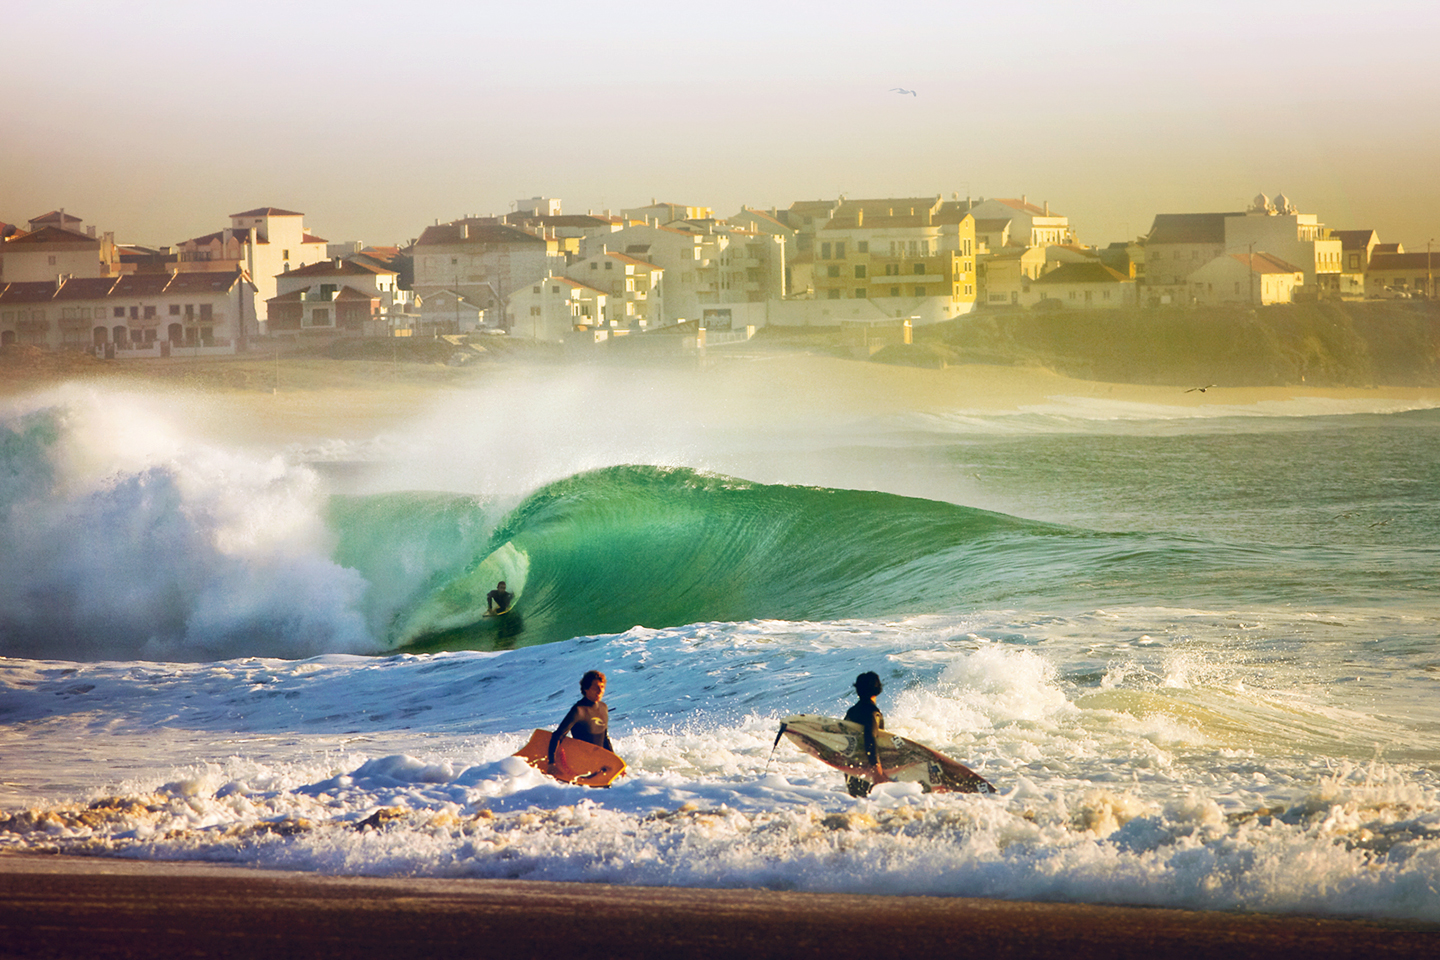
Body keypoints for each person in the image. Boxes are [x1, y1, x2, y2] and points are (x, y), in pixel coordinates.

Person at [548, 670, 613, 769]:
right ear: (586, 689)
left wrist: (614, 763)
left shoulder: (603, 708)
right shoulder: (579, 710)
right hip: (581, 765)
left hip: (598, 764)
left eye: (602, 687)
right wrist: (552, 762)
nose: (600, 691)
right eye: (596, 687)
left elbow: (604, 739)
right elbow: (557, 736)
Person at [844, 671, 887, 797]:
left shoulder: (852, 711)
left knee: (858, 802)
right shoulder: (872, 712)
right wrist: (876, 769)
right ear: (877, 689)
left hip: (852, 768)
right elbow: (871, 738)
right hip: (868, 767)